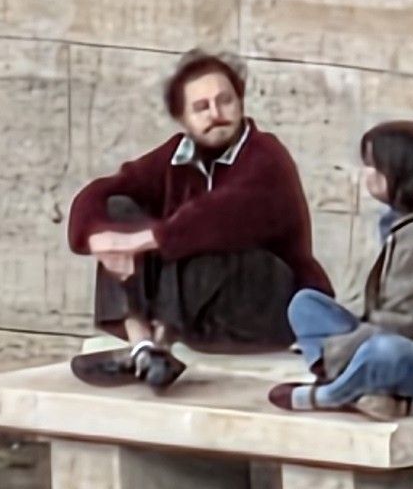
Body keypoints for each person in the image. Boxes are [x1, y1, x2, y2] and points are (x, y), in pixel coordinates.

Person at [62, 52, 329, 388]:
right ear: (183, 118)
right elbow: (99, 192)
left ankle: (159, 341)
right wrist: (98, 237)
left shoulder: (266, 155)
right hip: (198, 310)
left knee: (207, 238)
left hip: (266, 307)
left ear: (241, 102)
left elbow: (221, 216)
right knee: (117, 210)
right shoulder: (176, 154)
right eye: (202, 108)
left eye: (226, 101)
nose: (217, 115)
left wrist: (136, 241)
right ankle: (143, 345)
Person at [271, 119, 413, 417]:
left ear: (396, 169)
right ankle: (368, 391)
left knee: (382, 352)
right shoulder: (408, 217)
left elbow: (400, 322)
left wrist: (339, 350)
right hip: (411, 338)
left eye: (371, 165)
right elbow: (381, 303)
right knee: (305, 306)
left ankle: (330, 394)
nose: (365, 174)